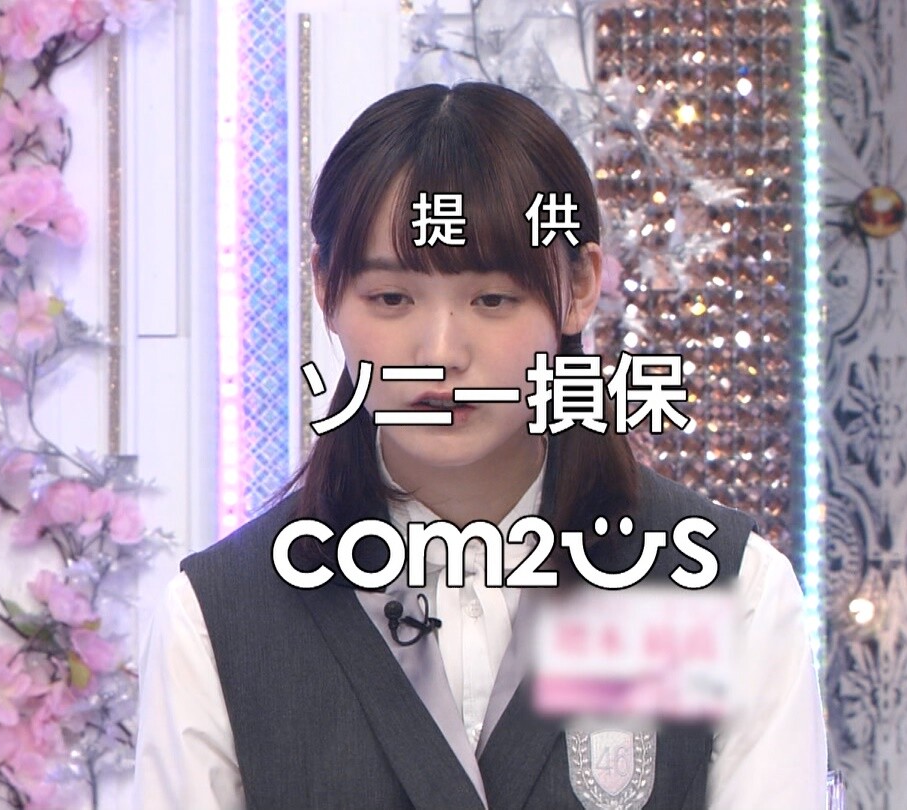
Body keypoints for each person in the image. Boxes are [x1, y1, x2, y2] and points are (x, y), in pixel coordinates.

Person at [135, 82, 826, 809]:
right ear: (326, 288)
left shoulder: (728, 587)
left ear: (579, 287)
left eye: (492, 299)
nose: (440, 353)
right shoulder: (220, 618)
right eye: (392, 299)